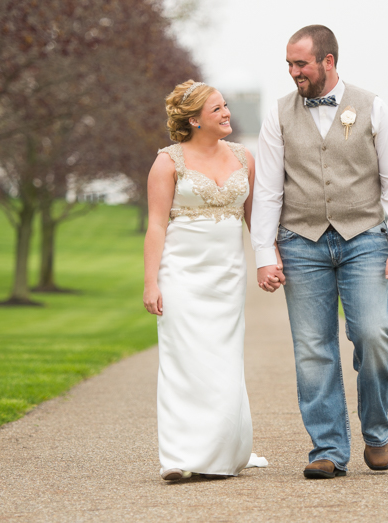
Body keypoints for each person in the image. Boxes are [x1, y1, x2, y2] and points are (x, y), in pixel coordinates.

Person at [251, 25, 388, 479]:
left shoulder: (372, 107)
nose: (293, 72)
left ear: (328, 61)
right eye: (288, 64)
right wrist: (265, 251)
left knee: (374, 334)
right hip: (300, 241)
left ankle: (377, 432)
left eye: (300, 63)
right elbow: (267, 188)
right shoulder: (279, 114)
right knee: (312, 349)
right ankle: (327, 449)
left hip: (364, 237)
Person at [143, 80, 269, 481]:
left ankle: (222, 450)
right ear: (195, 120)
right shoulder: (168, 163)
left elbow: (256, 220)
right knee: (183, 363)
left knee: (223, 363)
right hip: (181, 275)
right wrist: (151, 282)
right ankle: (180, 458)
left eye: (226, 106)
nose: (227, 113)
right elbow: (156, 227)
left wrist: (268, 261)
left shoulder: (244, 158)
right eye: (217, 109)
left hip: (227, 276)